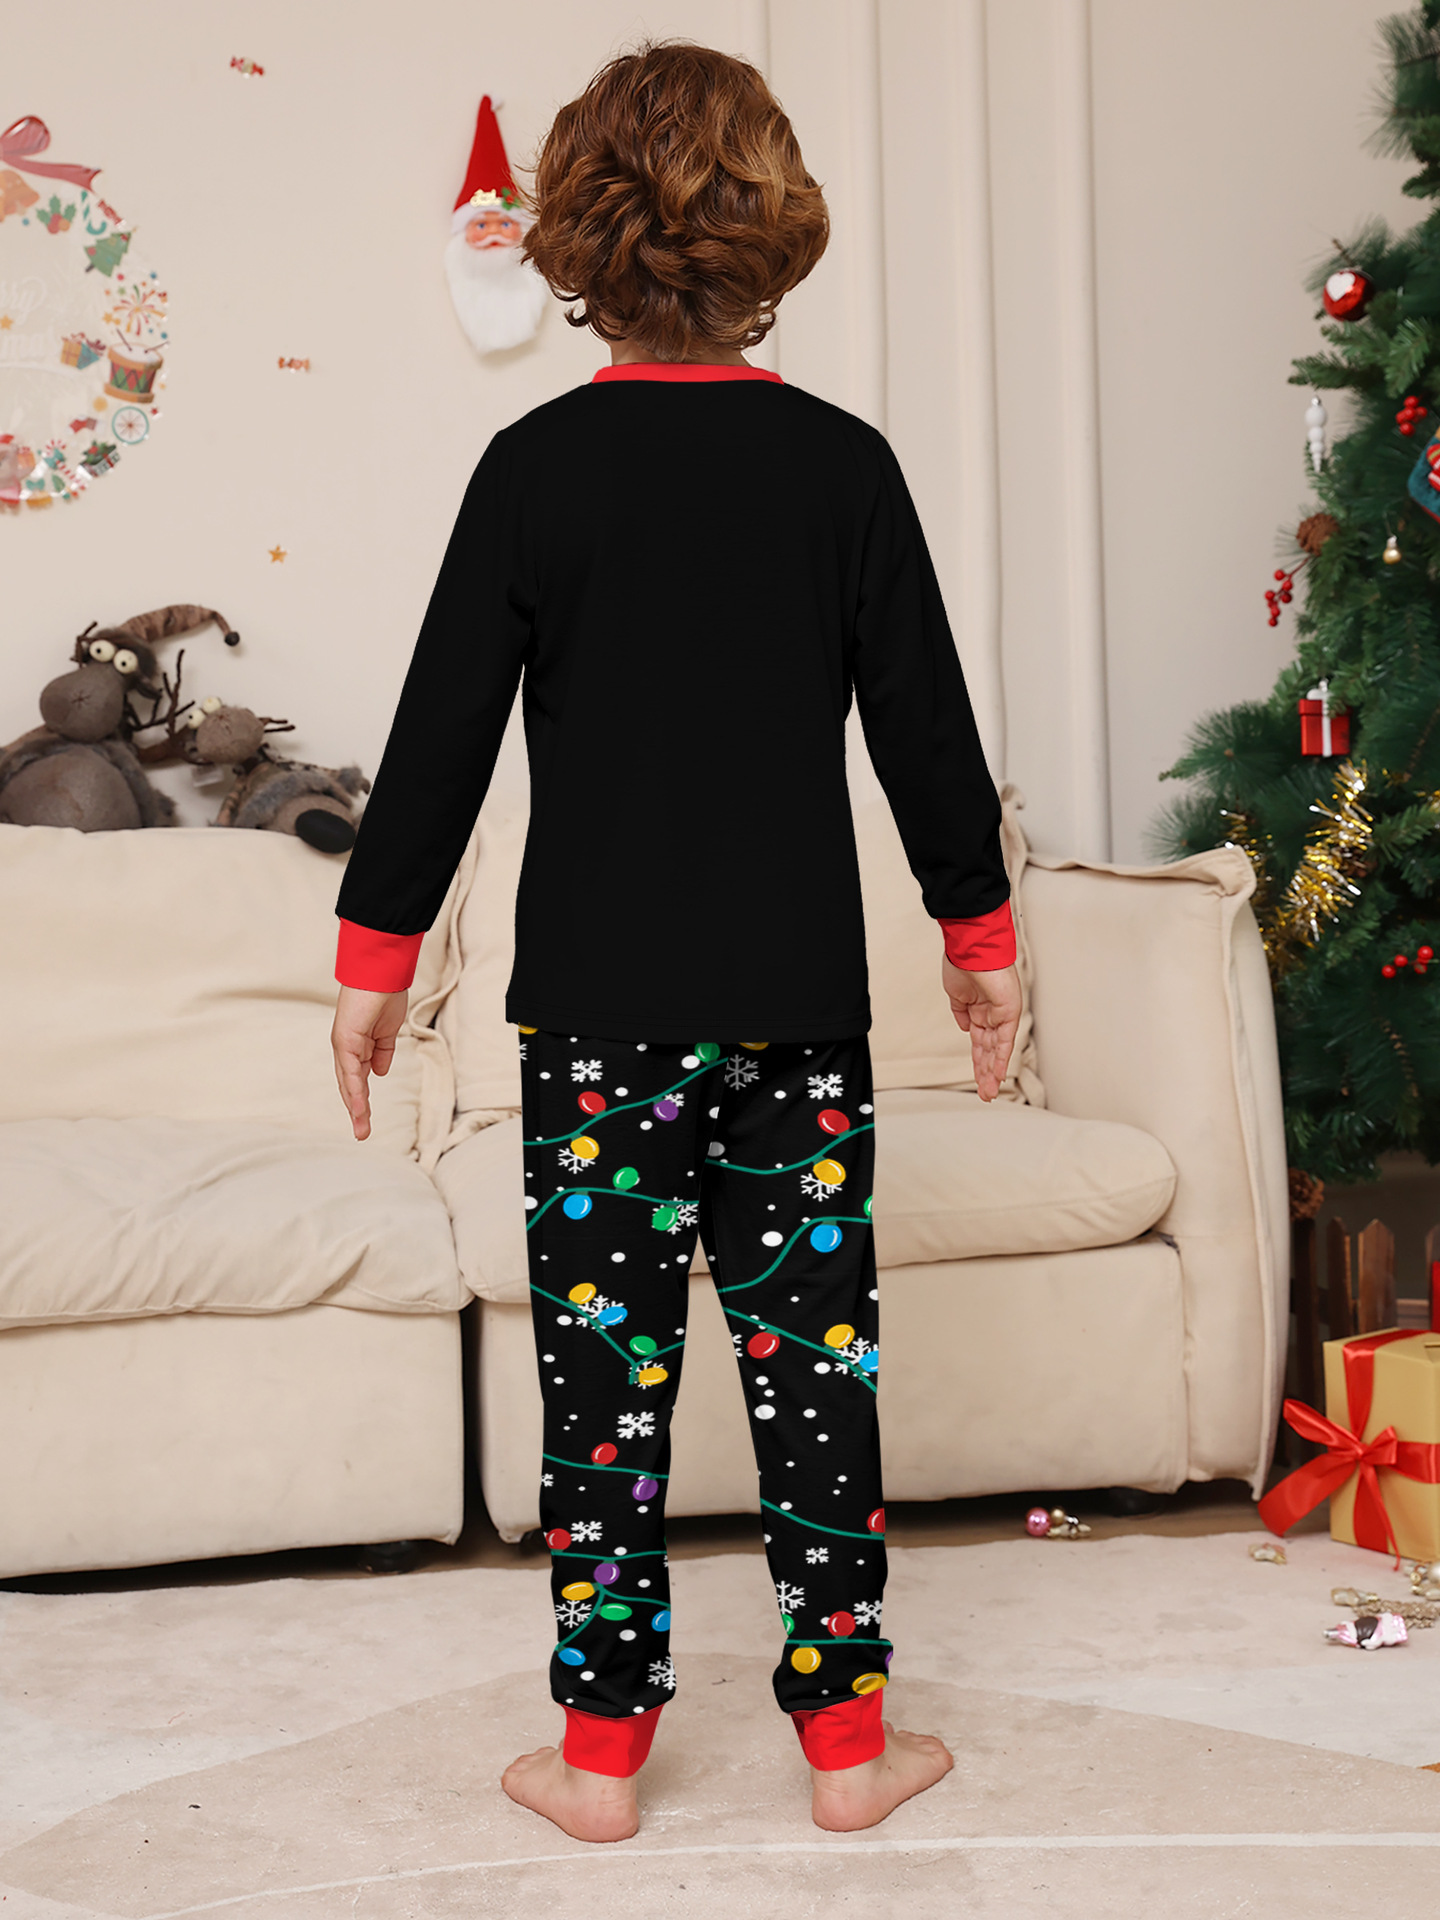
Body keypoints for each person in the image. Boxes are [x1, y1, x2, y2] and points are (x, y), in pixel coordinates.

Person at [329, 38, 1021, 1845]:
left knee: (602, 1392)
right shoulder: (843, 470)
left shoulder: (534, 469)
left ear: (580, 238)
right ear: (773, 227)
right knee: (818, 1380)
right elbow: (929, 738)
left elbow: (437, 740)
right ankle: (849, 1752)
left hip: (595, 1027)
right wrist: (983, 938)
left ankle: (602, 1758)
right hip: (795, 1018)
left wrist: (375, 965)